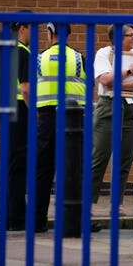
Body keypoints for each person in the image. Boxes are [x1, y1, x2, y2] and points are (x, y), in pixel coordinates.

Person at [35, 22, 91, 232]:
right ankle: (75, 221)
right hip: (74, 119)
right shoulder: (78, 58)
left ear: (50, 34)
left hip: (47, 118)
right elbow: (89, 86)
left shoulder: (39, 58)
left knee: (43, 170)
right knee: (75, 170)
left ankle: (38, 222)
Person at [91, 24, 133, 217]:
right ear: (118, 38)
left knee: (125, 159)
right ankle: (88, 202)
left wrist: (117, 81)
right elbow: (104, 80)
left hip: (131, 108)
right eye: (130, 35)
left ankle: (117, 203)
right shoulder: (104, 54)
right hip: (109, 107)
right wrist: (129, 72)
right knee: (99, 157)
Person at [5, 11, 32, 231]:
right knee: (18, 165)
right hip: (21, 112)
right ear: (23, 28)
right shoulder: (23, 52)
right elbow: (25, 88)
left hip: (7, 112)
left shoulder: (8, 49)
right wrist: (36, 112)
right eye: (33, 27)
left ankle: (5, 216)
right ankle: (16, 218)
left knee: (9, 164)